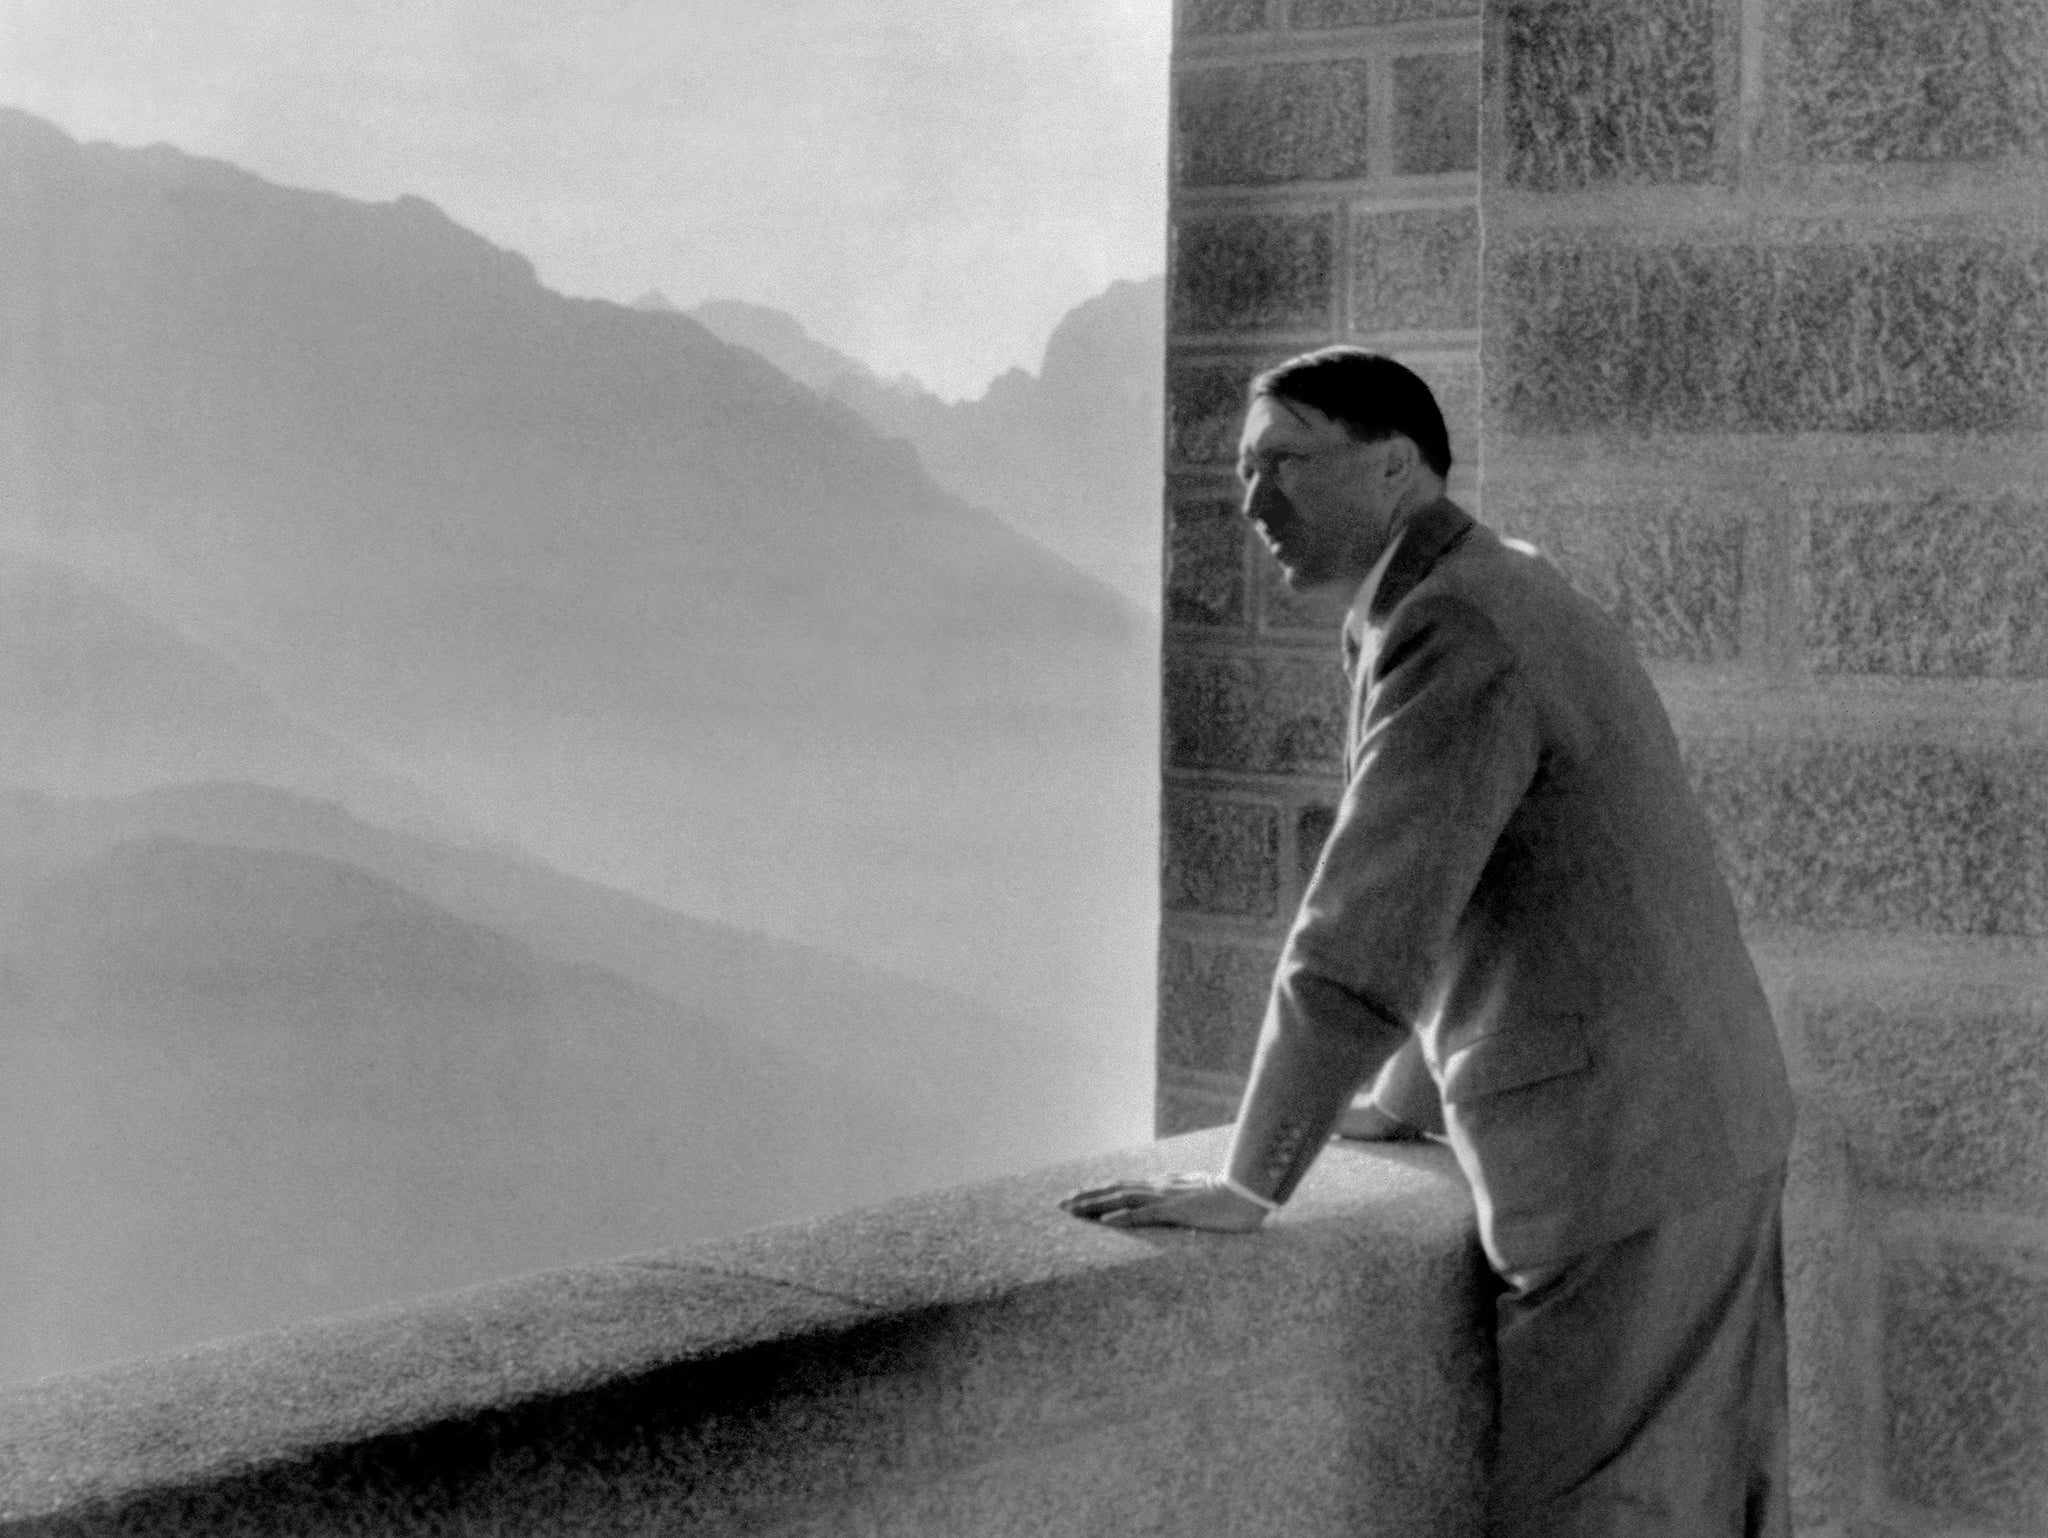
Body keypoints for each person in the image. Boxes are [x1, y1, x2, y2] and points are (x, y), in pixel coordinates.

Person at [1063, 348, 1797, 1536]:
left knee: (1595, 1516)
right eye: (1243, 470)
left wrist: (1250, 1177)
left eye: (1286, 462)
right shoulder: (1490, 583)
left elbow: (1367, 924)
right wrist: (1401, 1100)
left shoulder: (1451, 623)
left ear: (1394, 465)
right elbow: (1498, 883)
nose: (1253, 502)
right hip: (1696, 1120)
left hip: (1623, 1154)